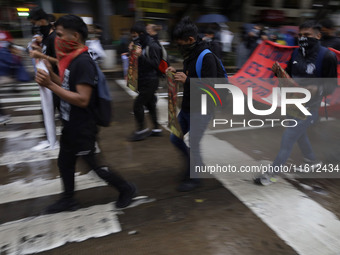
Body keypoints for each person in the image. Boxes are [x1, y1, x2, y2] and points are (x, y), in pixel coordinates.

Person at [35, 14, 136, 213]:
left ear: (75, 36)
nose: (56, 39)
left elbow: (82, 99)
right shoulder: (71, 59)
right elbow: (66, 84)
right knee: (65, 162)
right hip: (70, 123)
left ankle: (126, 188)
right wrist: (51, 74)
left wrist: (49, 85)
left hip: (82, 126)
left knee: (95, 166)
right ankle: (68, 199)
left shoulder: (82, 62)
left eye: (60, 34)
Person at [254, 20, 338, 185]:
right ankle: (312, 161)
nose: (302, 38)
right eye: (300, 35)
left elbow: (332, 86)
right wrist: (280, 74)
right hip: (293, 103)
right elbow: (290, 79)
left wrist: (317, 88)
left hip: (311, 107)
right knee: (299, 134)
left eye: (307, 35)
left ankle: (271, 174)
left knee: (288, 137)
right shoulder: (296, 54)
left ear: (318, 36)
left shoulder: (327, 56)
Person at [166, 17, 224, 192]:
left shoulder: (206, 56)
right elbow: (192, 73)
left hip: (202, 109)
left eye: (181, 43)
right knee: (175, 138)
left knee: (194, 143)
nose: (179, 47)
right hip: (188, 107)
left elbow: (211, 86)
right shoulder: (191, 53)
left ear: (190, 40)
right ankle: (193, 165)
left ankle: (195, 177)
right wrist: (177, 73)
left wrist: (187, 80)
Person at [28, 8, 59, 151]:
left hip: (57, 80)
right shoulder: (46, 38)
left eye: (35, 23)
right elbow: (47, 54)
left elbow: (60, 61)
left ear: (41, 21)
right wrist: (38, 51)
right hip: (50, 81)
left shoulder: (53, 38)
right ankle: (50, 138)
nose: (34, 27)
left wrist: (41, 56)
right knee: (47, 111)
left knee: (64, 113)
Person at [129, 22, 163, 141]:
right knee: (150, 104)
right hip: (143, 79)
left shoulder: (152, 45)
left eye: (135, 35)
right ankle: (156, 129)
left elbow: (155, 64)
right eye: (132, 36)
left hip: (151, 80)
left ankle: (141, 130)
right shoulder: (140, 43)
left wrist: (140, 56)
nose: (133, 38)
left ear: (141, 34)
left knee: (138, 105)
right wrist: (131, 53)